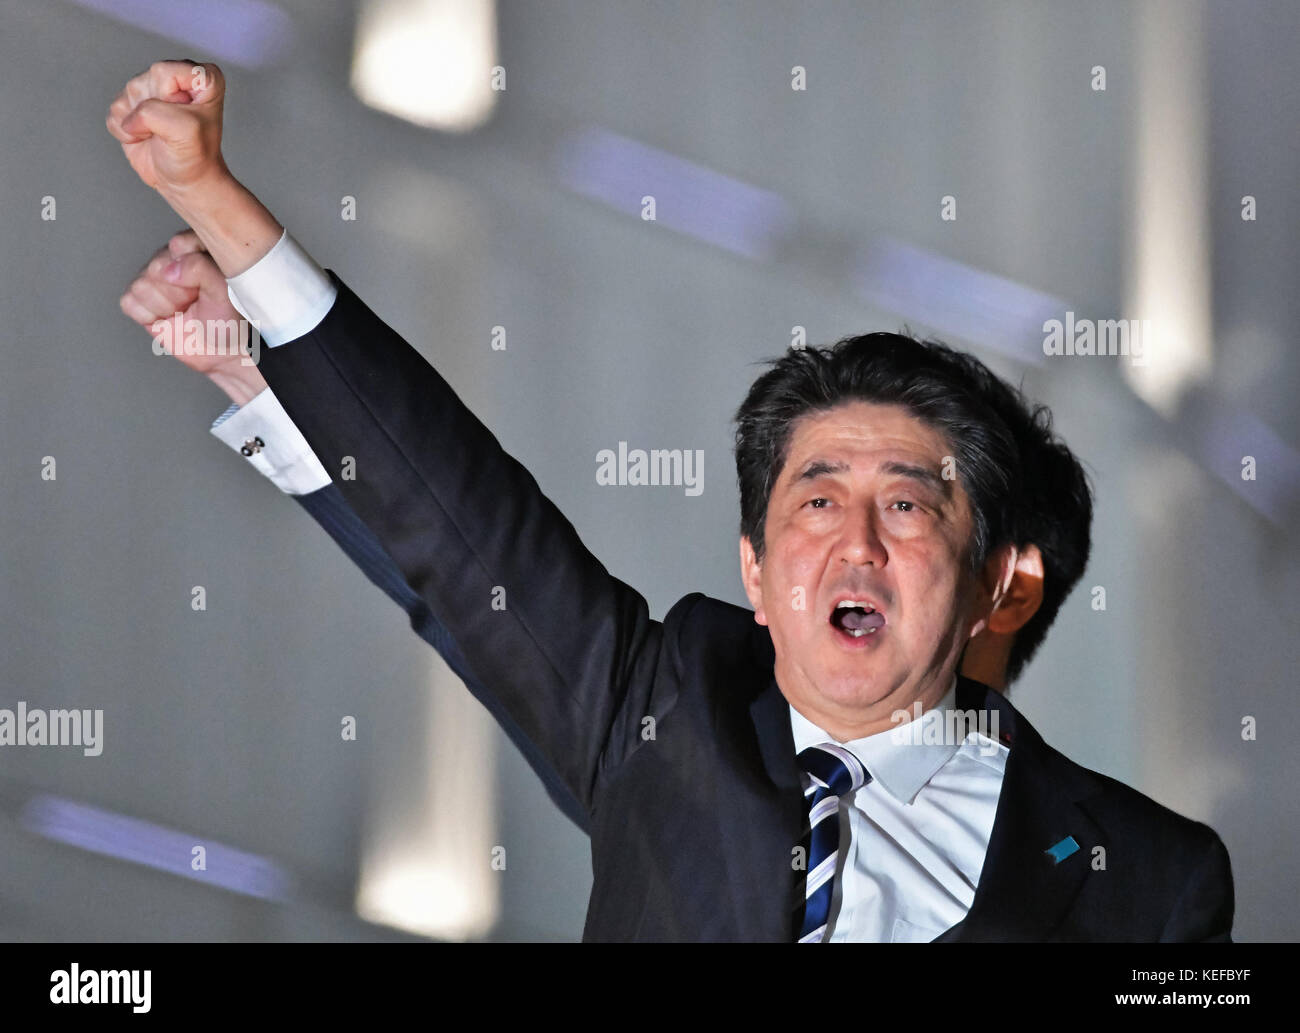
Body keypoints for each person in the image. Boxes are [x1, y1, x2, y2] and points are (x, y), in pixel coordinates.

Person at [107, 61, 1233, 941]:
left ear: (995, 577)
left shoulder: (1146, 876)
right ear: (752, 568)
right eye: (813, 501)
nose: (852, 544)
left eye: (904, 507)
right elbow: (459, 528)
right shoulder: (665, 716)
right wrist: (214, 202)